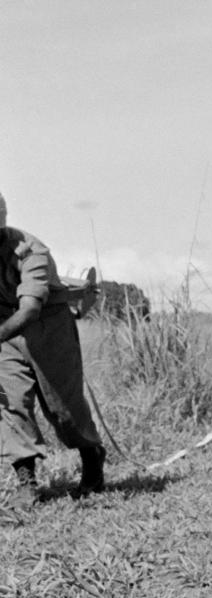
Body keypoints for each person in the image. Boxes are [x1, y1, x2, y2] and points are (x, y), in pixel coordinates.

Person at [0, 192, 105, 513]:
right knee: (11, 402)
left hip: (47, 325)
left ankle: (92, 456)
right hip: (4, 330)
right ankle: (27, 482)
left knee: (63, 408)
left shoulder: (31, 251)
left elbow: (30, 309)